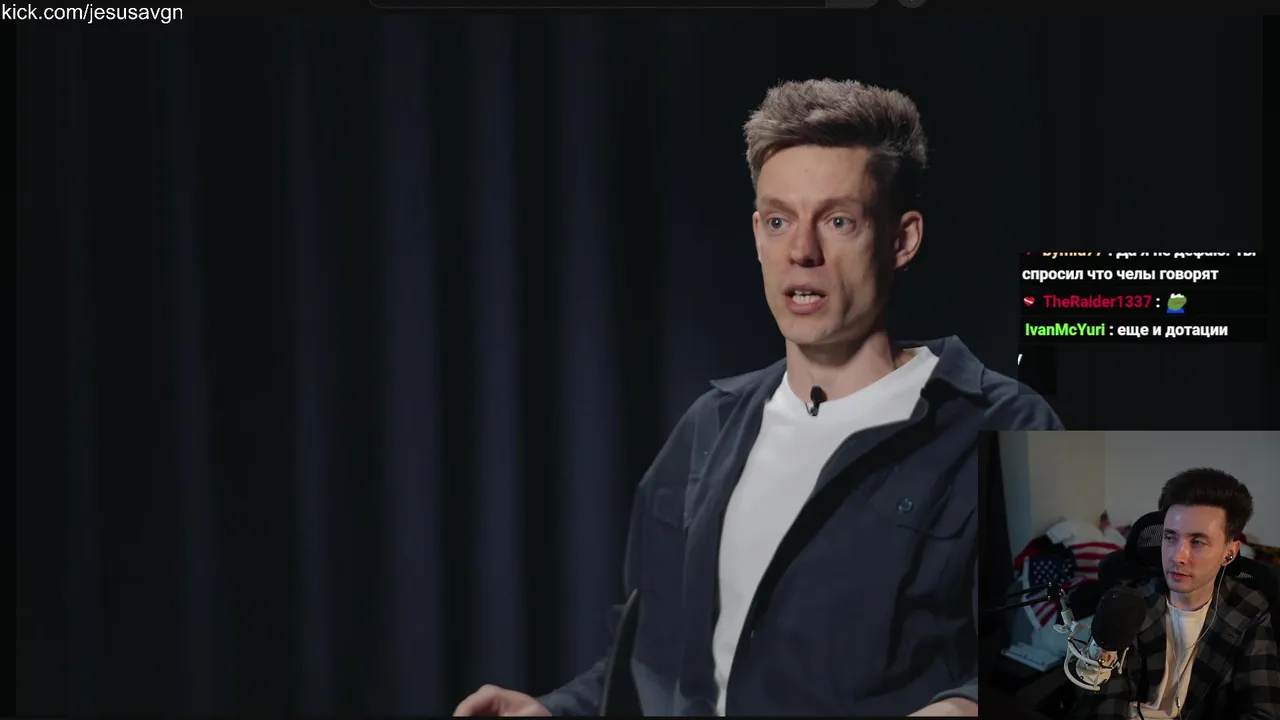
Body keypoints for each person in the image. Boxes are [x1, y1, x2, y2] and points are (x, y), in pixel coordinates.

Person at [455, 78, 1061, 718]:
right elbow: (653, 662)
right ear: (756, 236)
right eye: (779, 221)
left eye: (837, 221)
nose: (802, 251)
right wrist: (556, 711)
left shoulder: (1003, 423)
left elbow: (1053, 654)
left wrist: (963, 709)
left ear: (901, 239)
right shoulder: (708, 429)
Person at [1070, 468, 1279, 720]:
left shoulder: (1249, 610)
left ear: (1229, 553)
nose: (1177, 557)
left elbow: (1261, 710)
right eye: (1170, 537)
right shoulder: (1128, 603)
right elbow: (1102, 699)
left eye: (1197, 542)